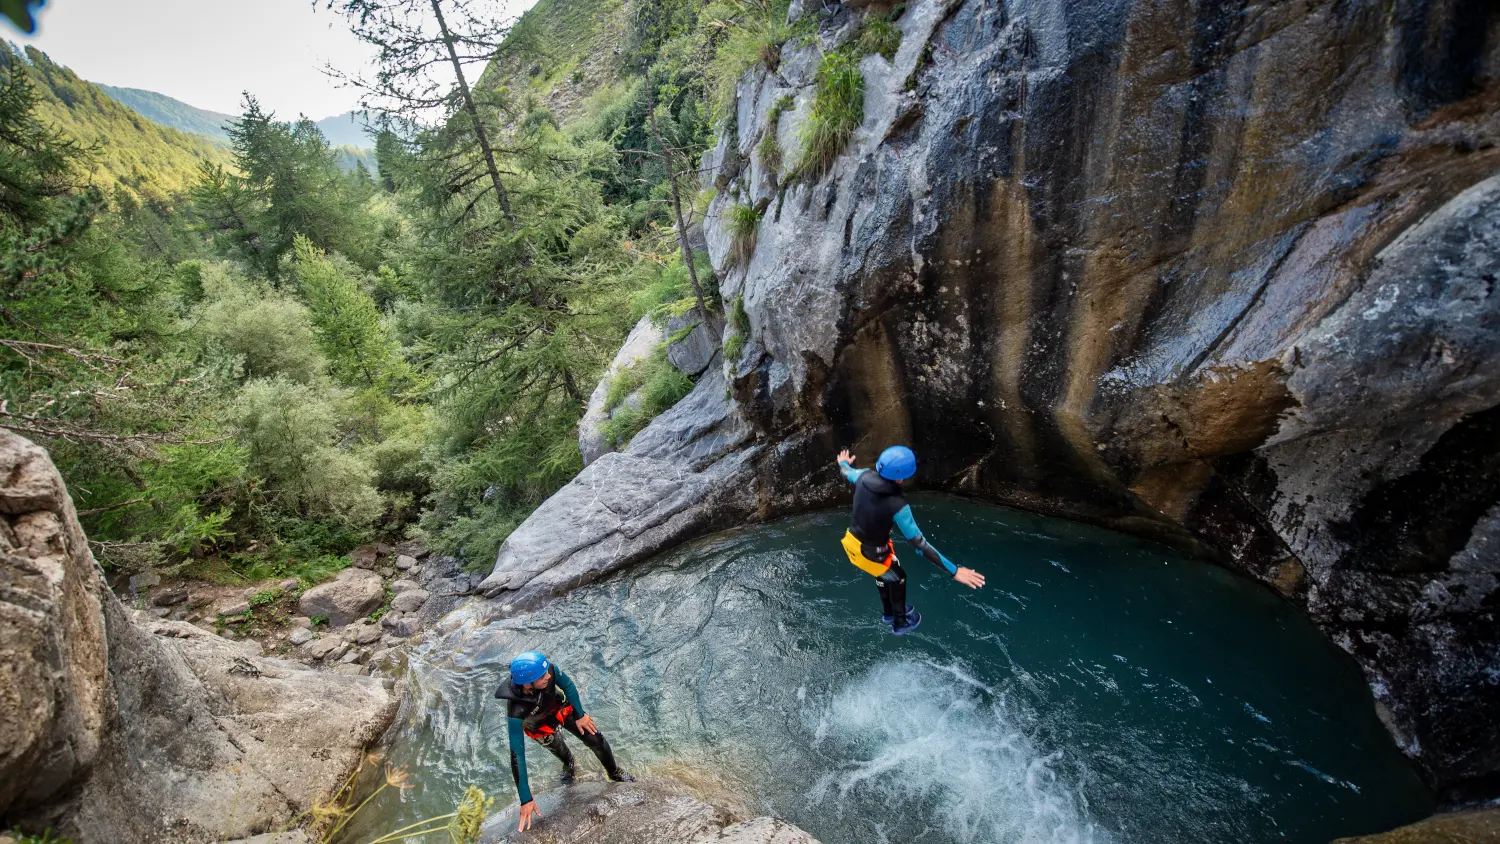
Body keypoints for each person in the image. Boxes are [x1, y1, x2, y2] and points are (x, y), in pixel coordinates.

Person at [837, 445, 986, 634]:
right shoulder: (898, 506)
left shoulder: (863, 476)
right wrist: (954, 571)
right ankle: (899, 623)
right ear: (901, 478)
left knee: (884, 575)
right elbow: (919, 544)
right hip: (871, 555)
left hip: (852, 544)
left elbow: (846, 471)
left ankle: (888, 613)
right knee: (898, 578)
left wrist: (843, 462)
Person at [495, 651, 634, 832]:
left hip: (560, 709)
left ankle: (614, 773)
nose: (549, 676)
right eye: (542, 676)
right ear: (527, 683)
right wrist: (526, 798)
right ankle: (570, 768)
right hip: (539, 728)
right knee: (566, 757)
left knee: (595, 738)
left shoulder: (549, 669)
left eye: (546, 673)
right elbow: (517, 755)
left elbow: (568, 686)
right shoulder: (516, 710)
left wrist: (580, 714)